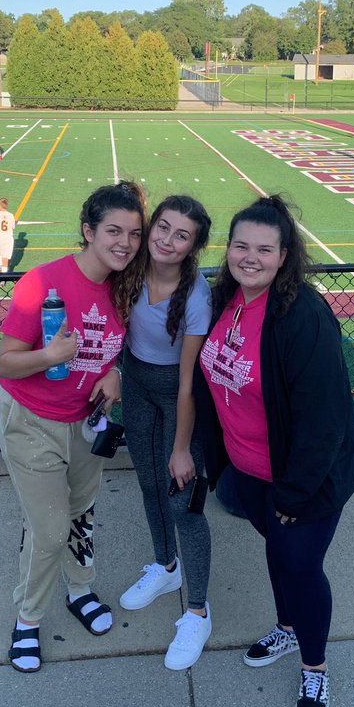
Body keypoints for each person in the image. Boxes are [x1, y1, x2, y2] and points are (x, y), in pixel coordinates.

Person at [196, 195, 354, 707]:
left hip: (300, 480)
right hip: (248, 471)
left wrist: (295, 492)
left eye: (264, 249)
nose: (251, 257)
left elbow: (324, 419)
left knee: (300, 565)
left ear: (285, 254)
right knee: (278, 555)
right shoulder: (225, 297)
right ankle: (287, 630)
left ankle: (315, 664)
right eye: (240, 245)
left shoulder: (302, 316)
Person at [0, 180, 145, 673]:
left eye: (134, 234)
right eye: (113, 231)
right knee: (51, 530)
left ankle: (80, 590)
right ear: (88, 231)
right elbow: (6, 364)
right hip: (32, 421)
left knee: (80, 514)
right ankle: (28, 618)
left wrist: (116, 372)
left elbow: (120, 348)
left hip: (86, 421)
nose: (125, 242)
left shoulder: (127, 285)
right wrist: (49, 355)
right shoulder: (41, 282)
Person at [117, 196, 213, 670]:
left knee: (183, 502)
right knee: (148, 482)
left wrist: (180, 447)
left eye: (182, 235)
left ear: (193, 247)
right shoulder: (131, 269)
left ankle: (198, 610)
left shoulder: (195, 295)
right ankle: (165, 566)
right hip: (136, 385)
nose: (167, 240)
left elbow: (189, 381)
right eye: (163, 227)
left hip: (178, 393)